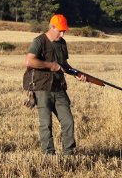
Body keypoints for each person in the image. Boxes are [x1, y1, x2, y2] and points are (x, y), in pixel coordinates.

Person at [23, 14, 86, 156]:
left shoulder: (62, 43)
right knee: (46, 124)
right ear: (52, 27)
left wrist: (76, 73)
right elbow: (29, 61)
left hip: (59, 87)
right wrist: (51, 65)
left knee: (68, 121)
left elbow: (64, 65)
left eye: (64, 31)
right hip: (42, 88)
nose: (63, 34)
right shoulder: (39, 41)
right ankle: (49, 155)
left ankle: (69, 154)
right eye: (60, 30)